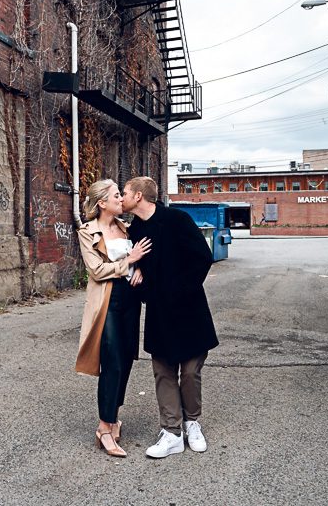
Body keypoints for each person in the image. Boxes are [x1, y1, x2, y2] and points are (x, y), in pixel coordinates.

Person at [122, 176, 219, 458]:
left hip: (189, 309)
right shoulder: (135, 230)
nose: (122, 197)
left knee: (190, 371)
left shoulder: (177, 219)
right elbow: (137, 267)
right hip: (159, 312)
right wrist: (139, 272)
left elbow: (202, 257)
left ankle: (192, 423)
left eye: (125, 192)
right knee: (163, 371)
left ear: (138, 196)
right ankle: (172, 432)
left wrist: (179, 291)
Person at [76, 179, 152, 458]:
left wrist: (139, 268)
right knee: (112, 361)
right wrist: (129, 261)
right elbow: (96, 270)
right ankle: (104, 427)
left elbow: (140, 258)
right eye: (117, 195)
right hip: (107, 301)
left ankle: (113, 417)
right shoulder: (87, 232)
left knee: (126, 359)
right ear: (102, 203)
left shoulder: (126, 227)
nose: (122, 199)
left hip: (130, 300)